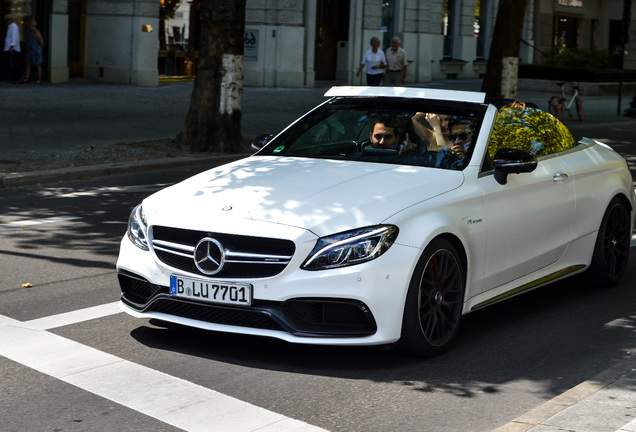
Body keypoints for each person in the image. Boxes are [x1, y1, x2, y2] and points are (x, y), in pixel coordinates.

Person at [22, 18, 43, 83]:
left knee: (38, 64)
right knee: (28, 64)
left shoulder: (37, 33)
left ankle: (39, 79)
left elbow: (41, 41)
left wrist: (40, 49)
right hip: (29, 50)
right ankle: (26, 77)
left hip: (36, 50)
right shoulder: (29, 32)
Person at [3, 14, 22, 84]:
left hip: (12, 48)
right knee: (8, 64)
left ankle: (19, 76)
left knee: (12, 64)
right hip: (9, 48)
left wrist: (12, 46)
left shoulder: (13, 27)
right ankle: (9, 79)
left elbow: (14, 37)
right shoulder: (10, 27)